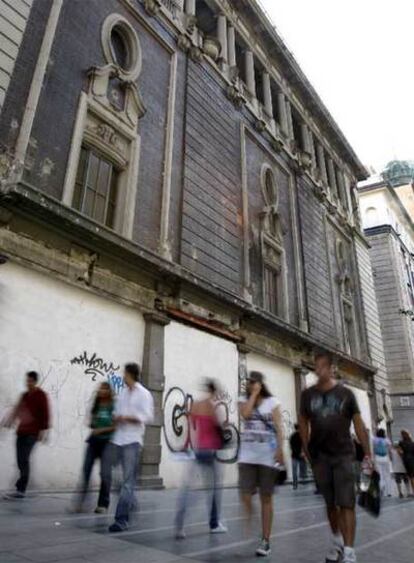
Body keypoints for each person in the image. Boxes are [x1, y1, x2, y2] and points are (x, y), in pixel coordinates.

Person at [299, 352, 371, 563]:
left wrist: (367, 453)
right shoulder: (307, 395)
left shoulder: (346, 394)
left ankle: (349, 550)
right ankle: (337, 540)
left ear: (332, 369)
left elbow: (358, 424)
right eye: (316, 366)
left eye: (323, 366)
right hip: (320, 457)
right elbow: (303, 422)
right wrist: (306, 450)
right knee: (330, 504)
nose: (318, 370)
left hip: (343, 455)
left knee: (346, 503)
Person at [103, 363, 154, 532]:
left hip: (132, 441)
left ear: (131, 374)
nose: (123, 377)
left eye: (125, 374)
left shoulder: (144, 394)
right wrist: (115, 417)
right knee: (110, 475)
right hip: (118, 440)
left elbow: (147, 417)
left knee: (126, 482)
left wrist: (128, 418)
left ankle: (121, 520)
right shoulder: (123, 393)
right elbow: (117, 413)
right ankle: (130, 501)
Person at [238, 371, 285, 558]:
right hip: (247, 457)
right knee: (245, 495)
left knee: (266, 498)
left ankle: (265, 540)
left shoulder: (273, 402)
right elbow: (246, 415)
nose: (249, 385)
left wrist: (280, 450)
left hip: (267, 457)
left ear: (260, 383)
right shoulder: (243, 399)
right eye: (248, 382)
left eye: (253, 382)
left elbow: (279, 428)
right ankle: (254, 520)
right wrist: (253, 396)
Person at [175, 378, 227, 538]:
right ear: (214, 391)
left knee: (188, 488)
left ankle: (180, 525)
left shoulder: (196, 405)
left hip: (198, 450)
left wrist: (186, 446)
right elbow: (220, 430)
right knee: (214, 489)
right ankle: (214, 523)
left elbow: (192, 427)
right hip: (211, 452)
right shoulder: (213, 407)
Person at [3, 371, 50, 499]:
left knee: (24, 459)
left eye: (30, 381)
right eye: (27, 381)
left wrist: (43, 431)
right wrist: (8, 422)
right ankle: (21, 487)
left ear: (35, 381)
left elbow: (45, 414)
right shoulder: (24, 396)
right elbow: (17, 409)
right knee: (20, 460)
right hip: (21, 432)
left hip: (32, 433)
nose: (28, 383)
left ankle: (21, 489)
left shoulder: (41, 396)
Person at [75, 382, 115, 513]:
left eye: (104, 389)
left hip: (107, 442)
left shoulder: (113, 406)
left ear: (109, 391)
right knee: (86, 470)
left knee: (105, 474)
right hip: (93, 441)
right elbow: (92, 422)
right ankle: (80, 503)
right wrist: (93, 423)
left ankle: (103, 504)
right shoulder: (97, 404)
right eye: (100, 389)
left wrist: (102, 429)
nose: (102, 391)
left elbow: (116, 426)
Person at [372, 429, 392, 497]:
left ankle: (381, 490)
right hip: (385, 458)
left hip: (377, 458)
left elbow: (373, 448)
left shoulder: (374, 440)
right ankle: (389, 492)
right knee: (387, 475)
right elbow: (389, 449)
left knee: (380, 474)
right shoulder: (386, 440)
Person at [289, 424, 307, 490]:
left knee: (294, 471)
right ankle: (303, 479)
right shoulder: (301, 436)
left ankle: (295, 484)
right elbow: (304, 444)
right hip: (300, 455)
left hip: (294, 455)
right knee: (303, 467)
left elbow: (291, 446)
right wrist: (302, 452)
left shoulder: (292, 436)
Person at [399, 430, 414, 496]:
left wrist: (402, 456)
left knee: (411, 477)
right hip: (413, 459)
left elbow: (400, 452)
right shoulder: (412, 442)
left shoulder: (401, 443)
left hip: (407, 461)